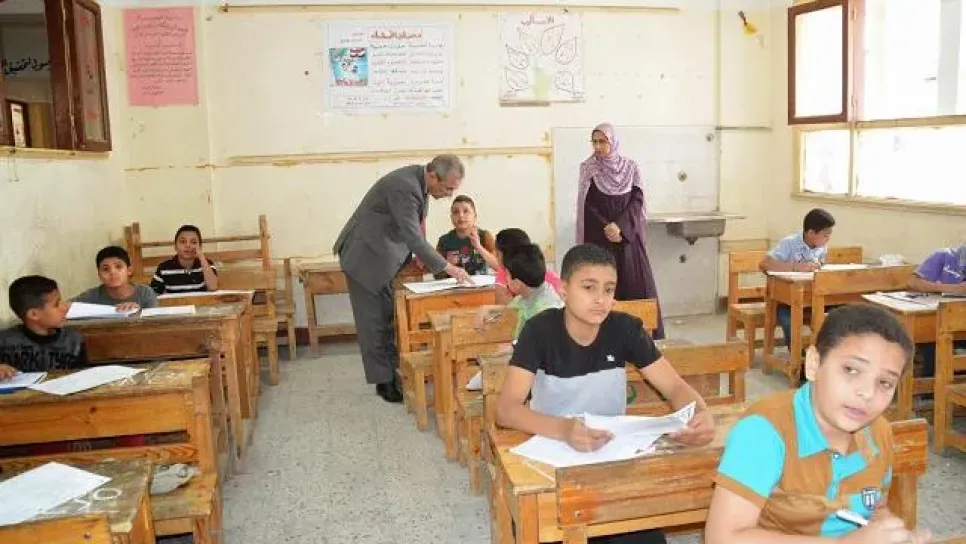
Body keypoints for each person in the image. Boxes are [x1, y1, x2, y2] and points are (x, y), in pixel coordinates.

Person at [496, 244, 714, 544]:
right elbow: (506, 410)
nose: (601, 299)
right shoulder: (539, 332)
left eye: (609, 289)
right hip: (554, 456)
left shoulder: (625, 329)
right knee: (561, 528)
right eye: (589, 287)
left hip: (613, 455)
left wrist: (700, 412)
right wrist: (564, 429)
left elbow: (675, 387)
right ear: (563, 290)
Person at [704, 304, 931, 544]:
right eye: (851, 370)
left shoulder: (878, 433)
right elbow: (722, 538)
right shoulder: (764, 431)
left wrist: (894, 535)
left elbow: (874, 509)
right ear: (813, 364)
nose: (867, 392)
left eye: (885, 383)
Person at [334, 155, 471, 403]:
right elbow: (412, 236)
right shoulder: (405, 187)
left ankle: (391, 373)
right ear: (433, 176)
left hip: (383, 257)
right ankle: (383, 383)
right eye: (447, 189)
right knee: (373, 323)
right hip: (365, 258)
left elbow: (418, 225)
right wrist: (448, 268)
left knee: (387, 317)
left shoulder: (420, 182)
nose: (449, 195)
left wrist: (422, 257)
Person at [577, 123, 665, 339]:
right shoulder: (588, 168)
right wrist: (606, 226)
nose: (598, 146)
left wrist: (620, 227)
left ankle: (642, 342)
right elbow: (587, 205)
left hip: (628, 242)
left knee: (638, 290)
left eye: (602, 141)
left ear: (613, 142)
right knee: (602, 292)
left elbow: (637, 201)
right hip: (600, 243)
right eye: (594, 142)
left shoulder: (630, 168)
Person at [759, 208, 836, 350]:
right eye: (825, 235)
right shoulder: (789, 243)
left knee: (839, 312)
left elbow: (822, 264)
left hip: (813, 298)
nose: (828, 239)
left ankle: (823, 352)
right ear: (811, 233)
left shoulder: (822, 246)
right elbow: (764, 264)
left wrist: (819, 266)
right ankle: (797, 354)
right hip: (786, 300)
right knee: (789, 320)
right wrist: (796, 267)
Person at [0, 275, 86, 380]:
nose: (65, 307)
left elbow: (83, 377)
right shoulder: (4, 341)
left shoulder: (73, 340)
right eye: (56, 304)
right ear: (34, 314)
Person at [907, 243, 966, 377]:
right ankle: (930, 385)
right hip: (939, 325)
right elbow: (913, 282)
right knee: (933, 338)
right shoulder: (943, 256)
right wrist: (951, 289)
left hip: (960, 324)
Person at [478, 228, 563, 305]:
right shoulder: (504, 272)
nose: (496, 258)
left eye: (497, 254)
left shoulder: (547, 279)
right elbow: (503, 304)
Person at [74, 246, 159, 312]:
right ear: (99, 274)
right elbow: (67, 308)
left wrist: (137, 312)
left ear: (129, 270)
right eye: (105, 269)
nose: (112, 272)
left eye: (118, 267)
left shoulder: (145, 293)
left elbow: (155, 324)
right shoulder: (91, 296)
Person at [434, 195, 496, 278]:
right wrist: (448, 264)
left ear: (475, 216)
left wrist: (479, 247)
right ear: (451, 217)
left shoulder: (485, 236)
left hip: (481, 284)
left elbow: (499, 267)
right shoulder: (444, 240)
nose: (461, 215)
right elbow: (437, 275)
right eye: (456, 212)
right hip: (454, 284)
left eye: (466, 211)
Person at [150, 225, 219, 294]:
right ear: (175, 246)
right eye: (183, 242)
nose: (188, 245)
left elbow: (213, 287)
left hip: (201, 301)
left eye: (193, 242)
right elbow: (152, 294)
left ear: (200, 247)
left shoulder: (207, 264)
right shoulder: (164, 268)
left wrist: (201, 256)